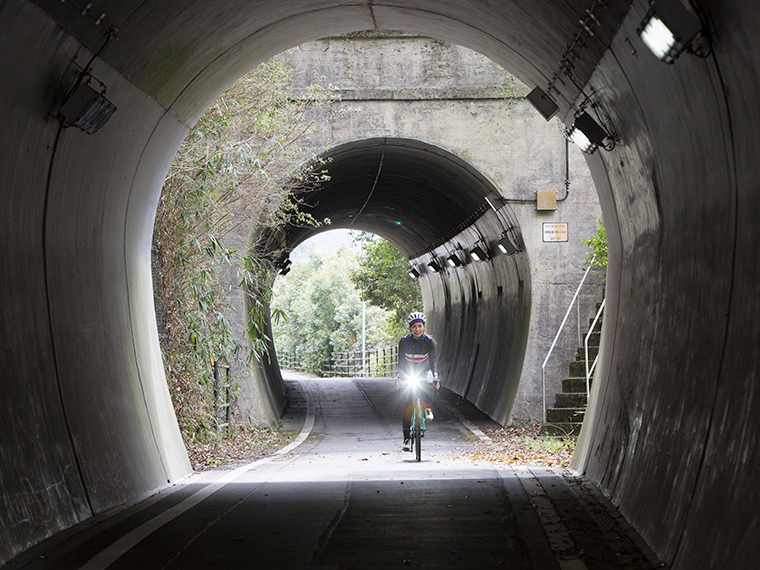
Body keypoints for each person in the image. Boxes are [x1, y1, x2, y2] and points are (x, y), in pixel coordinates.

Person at [396, 311, 440, 451]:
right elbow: (401, 361)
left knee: (429, 387)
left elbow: (433, 360)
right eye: (414, 326)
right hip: (409, 373)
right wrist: (399, 378)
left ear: (424, 327)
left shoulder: (429, 342)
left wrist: (435, 377)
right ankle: (407, 439)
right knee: (407, 405)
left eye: (420, 326)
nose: (417, 329)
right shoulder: (404, 341)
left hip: (424, 372)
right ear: (410, 328)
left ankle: (427, 409)